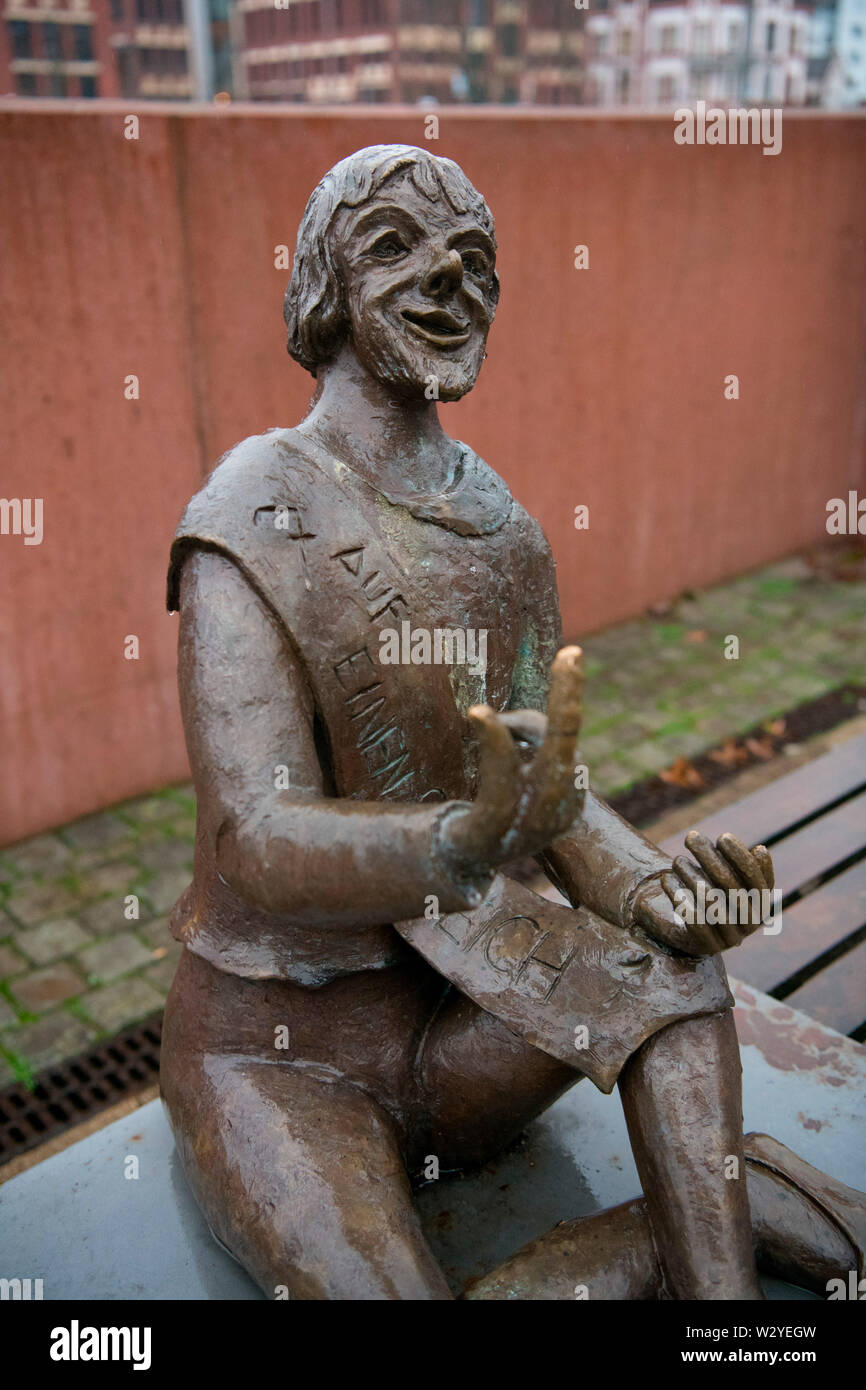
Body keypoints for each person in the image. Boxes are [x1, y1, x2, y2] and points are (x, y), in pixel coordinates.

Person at [159, 146, 857, 1301]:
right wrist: (452, 841)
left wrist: (649, 892)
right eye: (395, 246)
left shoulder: (506, 534)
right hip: (276, 1056)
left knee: (674, 972)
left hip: (462, 1010)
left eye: (475, 262)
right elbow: (255, 837)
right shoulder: (253, 508)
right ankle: (676, 1225)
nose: (448, 279)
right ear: (324, 286)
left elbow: (545, 789)